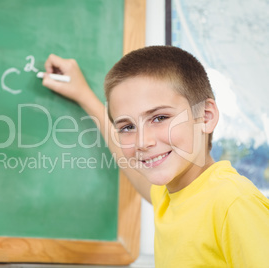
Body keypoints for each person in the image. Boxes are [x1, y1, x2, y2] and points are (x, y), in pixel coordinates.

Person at [40, 46, 269, 267]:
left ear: (206, 116)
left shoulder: (233, 203)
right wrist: (84, 95)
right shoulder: (171, 193)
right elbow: (132, 167)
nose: (142, 142)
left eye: (159, 118)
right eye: (127, 127)